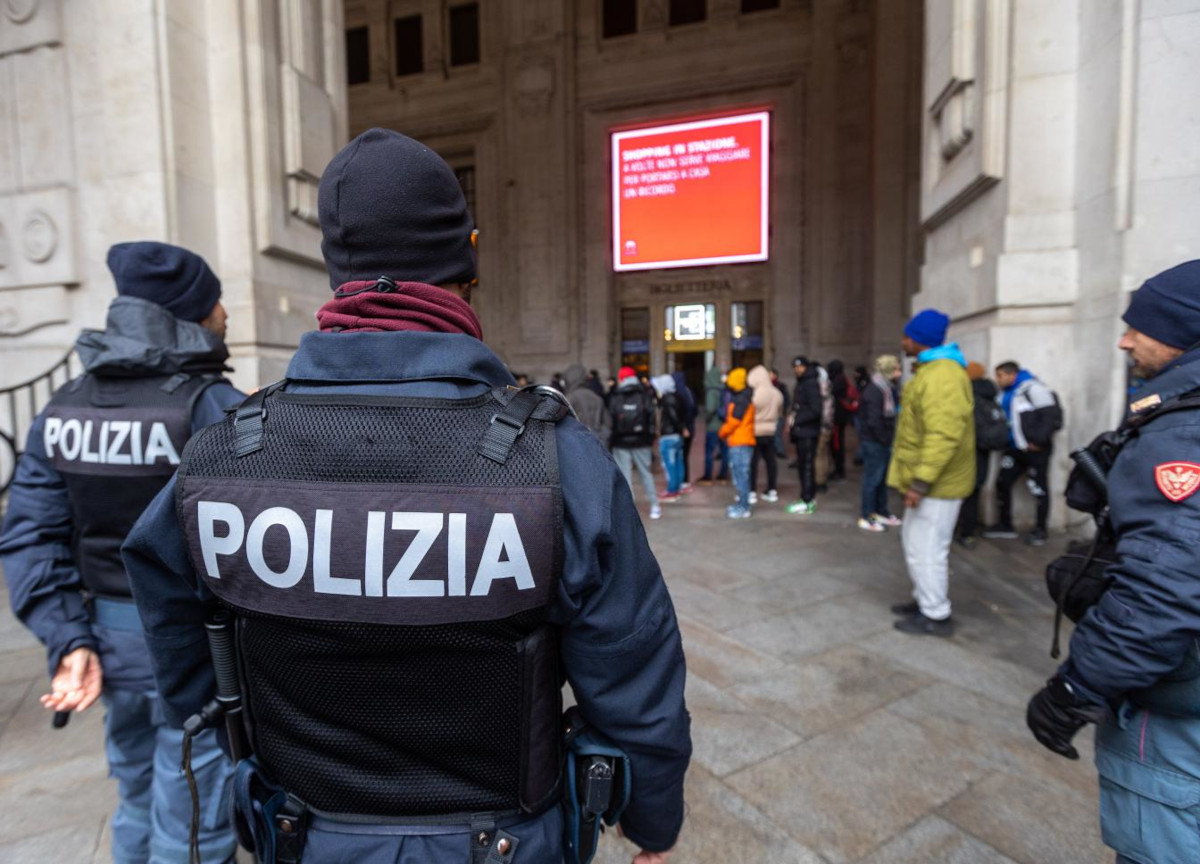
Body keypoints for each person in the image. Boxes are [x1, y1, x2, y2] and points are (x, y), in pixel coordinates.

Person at [120, 129, 691, 864]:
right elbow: (635, 675)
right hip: (508, 842)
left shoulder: (224, 454)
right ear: (469, 259)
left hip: (303, 835)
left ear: (338, 272)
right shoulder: (558, 461)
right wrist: (651, 821)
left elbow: (182, 651)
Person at [0, 242, 243, 864]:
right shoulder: (211, 406)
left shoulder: (64, 405)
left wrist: (68, 638)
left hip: (107, 647)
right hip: (198, 656)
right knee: (193, 825)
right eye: (217, 301)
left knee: (136, 800)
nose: (226, 314)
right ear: (192, 315)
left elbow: (30, 534)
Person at [1025, 260, 1200, 864]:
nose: (1125, 341)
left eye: (1140, 327)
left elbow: (1161, 591)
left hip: (1178, 712)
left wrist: (1075, 687)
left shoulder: (1184, 435)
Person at [887, 309, 975, 637]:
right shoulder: (934, 372)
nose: (902, 341)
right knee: (915, 543)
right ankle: (924, 598)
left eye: (906, 336)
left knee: (927, 549)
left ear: (917, 340)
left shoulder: (943, 377)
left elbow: (942, 436)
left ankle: (935, 613)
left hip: (938, 485)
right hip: (931, 483)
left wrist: (920, 483)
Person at [984, 361, 1063, 546]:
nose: (997, 379)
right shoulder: (1006, 393)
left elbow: (1050, 415)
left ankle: (1040, 530)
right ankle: (1005, 525)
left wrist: (1039, 441)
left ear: (1012, 374)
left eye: (1000, 375)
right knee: (1002, 482)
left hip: (1035, 450)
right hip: (1015, 449)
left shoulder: (1034, 389)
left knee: (1038, 488)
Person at [956, 362, 1003, 547]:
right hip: (984, 452)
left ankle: (962, 530)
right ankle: (969, 532)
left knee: (961, 492)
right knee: (974, 492)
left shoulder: (967, 395)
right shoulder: (990, 395)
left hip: (967, 451)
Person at [610, 365, 662, 520]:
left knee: (625, 476)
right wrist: (650, 438)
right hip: (642, 440)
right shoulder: (645, 394)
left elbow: (611, 419)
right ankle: (655, 505)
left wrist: (612, 439)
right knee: (646, 473)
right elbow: (652, 418)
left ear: (621, 379)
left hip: (621, 441)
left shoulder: (615, 396)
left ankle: (629, 510)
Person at [857, 355, 903, 533]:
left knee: (881, 480)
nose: (899, 373)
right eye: (896, 369)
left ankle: (880, 511)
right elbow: (873, 421)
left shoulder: (886, 389)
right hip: (874, 442)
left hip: (881, 441)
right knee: (872, 480)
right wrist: (885, 439)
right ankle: (867, 515)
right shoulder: (875, 391)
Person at [786, 356, 823, 515]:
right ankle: (807, 497)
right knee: (803, 466)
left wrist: (797, 420)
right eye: (795, 367)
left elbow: (816, 410)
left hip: (807, 431)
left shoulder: (810, 383)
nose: (797, 370)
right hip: (803, 431)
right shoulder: (803, 382)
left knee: (806, 466)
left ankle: (807, 500)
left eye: (800, 366)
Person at [719, 367, 756, 519]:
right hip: (741, 441)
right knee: (741, 475)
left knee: (741, 476)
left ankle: (743, 507)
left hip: (740, 443)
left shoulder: (740, 400)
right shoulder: (744, 397)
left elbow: (734, 421)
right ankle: (742, 504)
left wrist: (722, 432)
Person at [747, 365, 782, 503]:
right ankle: (772, 489)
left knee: (753, 463)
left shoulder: (755, 394)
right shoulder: (777, 393)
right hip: (771, 431)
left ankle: (751, 491)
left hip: (756, 431)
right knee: (771, 461)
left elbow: (749, 412)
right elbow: (780, 412)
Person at [652, 374, 687, 501]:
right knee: (678, 462)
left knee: (670, 464)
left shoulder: (667, 399)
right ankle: (678, 487)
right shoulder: (678, 396)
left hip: (669, 435)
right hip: (677, 436)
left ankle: (672, 490)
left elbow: (673, 417)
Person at [564, 362, 611, 446]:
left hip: (576, 444)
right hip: (597, 443)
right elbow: (608, 423)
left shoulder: (570, 398)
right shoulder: (596, 397)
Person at [827, 360, 858, 481]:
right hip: (839, 418)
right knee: (836, 445)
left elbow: (832, 394)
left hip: (837, 418)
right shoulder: (841, 379)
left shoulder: (838, 381)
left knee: (837, 445)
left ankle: (839, 471)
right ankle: (838, 470)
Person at [699, 366, 730, 484]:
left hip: (713, 427)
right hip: (724, 425)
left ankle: (707, 476)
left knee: (709, 451)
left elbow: (710, 409)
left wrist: (707, 419)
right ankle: (723, 475)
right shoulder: (723, 389)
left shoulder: (711, 391)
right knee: (724, 451)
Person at [671, 371, 698, 491]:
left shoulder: (678, 393)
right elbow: (695, 410)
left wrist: (684, 426)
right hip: (690, 427)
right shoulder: (689, 391)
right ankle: (685, 481)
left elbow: (681, 413)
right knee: (685, 456)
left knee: (679, 456)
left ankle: (680, 482)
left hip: (683, 429)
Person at [814, 362, 835, 491]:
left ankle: (820, 480)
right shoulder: (828, 386)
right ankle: (823, 477)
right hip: (827, 426)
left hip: (822, 426)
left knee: (819, 454)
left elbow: (824, 411)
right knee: (824, 453)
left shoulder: (821, 389)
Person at [771, 368, 790, 458]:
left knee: (777, 433)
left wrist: (784, 411)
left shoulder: (781, 386)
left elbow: (787, 400)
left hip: (779, 413)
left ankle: (780, 450)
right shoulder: (766, 386)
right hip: (771, 414)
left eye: (771, 374)